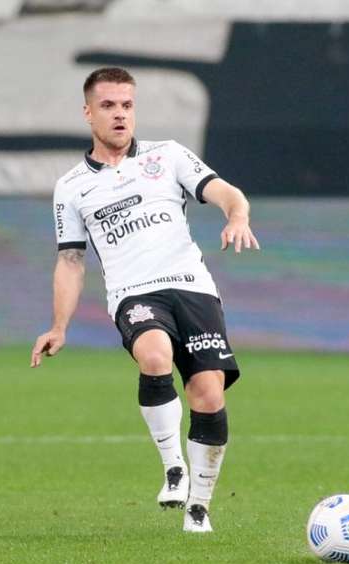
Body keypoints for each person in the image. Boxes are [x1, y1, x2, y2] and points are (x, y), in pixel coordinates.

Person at [30, 67, 259, 533]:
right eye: (109, 106)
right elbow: (71, 262)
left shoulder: (168, 155)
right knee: (154, 355)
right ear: (88, 112)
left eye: (127, 106)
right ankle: (174, 468)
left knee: (209, 394)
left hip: (193, 286)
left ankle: (199, 505)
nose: (120, 115)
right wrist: (59, 326)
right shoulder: (72, 186)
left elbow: (225, 192)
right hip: (134, 293)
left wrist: (237, 216)